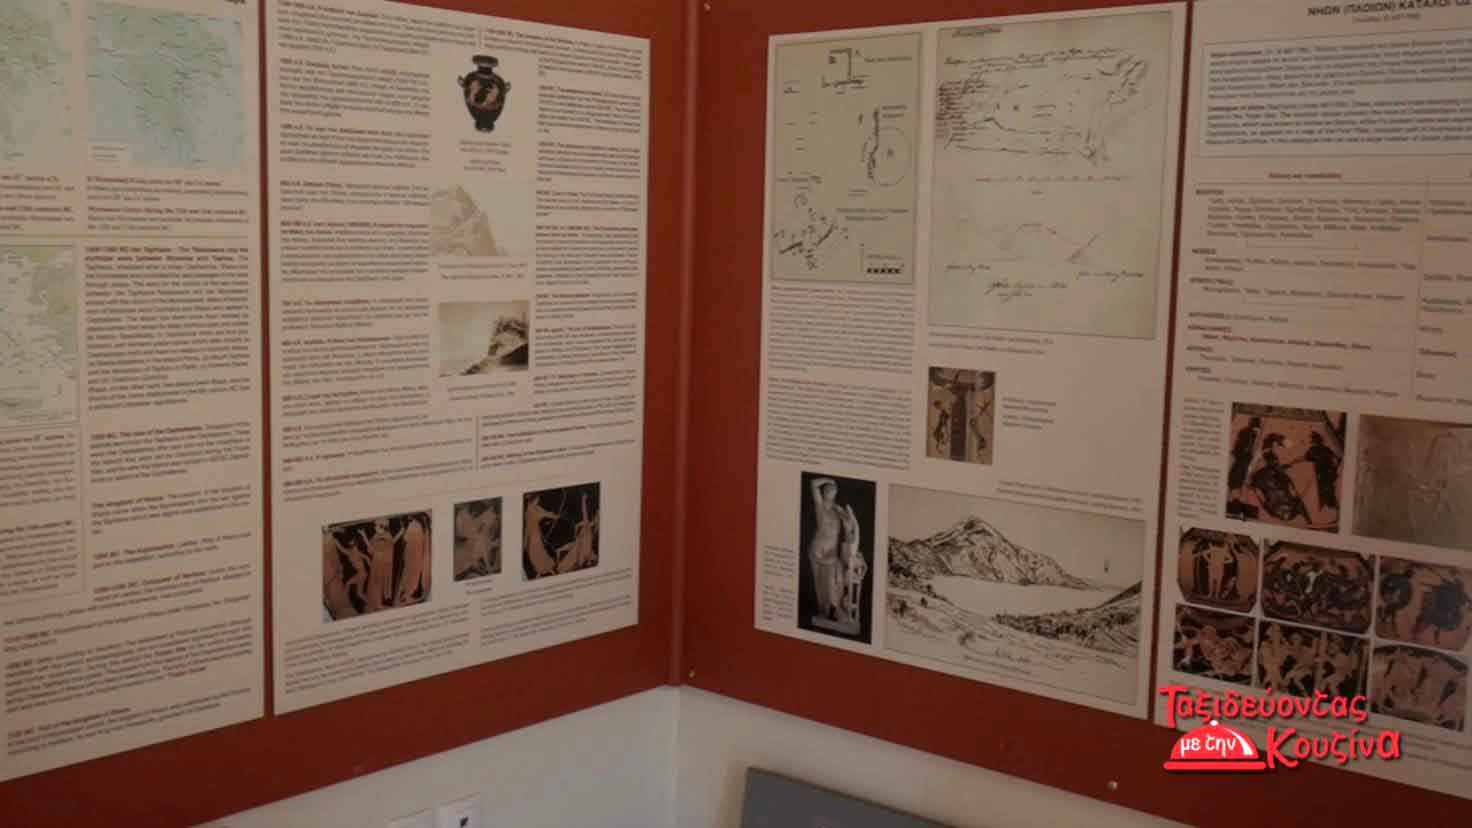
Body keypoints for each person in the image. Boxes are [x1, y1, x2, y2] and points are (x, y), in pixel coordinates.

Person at [806, 478, 844, 619]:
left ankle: (833, 606)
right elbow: (813, 484)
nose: (830, 492)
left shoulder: (837, 510)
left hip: (831, 550)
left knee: (835, 577)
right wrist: (829, 480)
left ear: (836, 493)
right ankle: (823, 609)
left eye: (833, 490)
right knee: (819, 581)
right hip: (818, 548)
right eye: (828, 489)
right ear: (823, 492)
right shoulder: (820, 505)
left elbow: (846, 526)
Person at [359, 518, 405, 611]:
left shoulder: (384, 537)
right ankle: (374, 603)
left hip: (381, 563)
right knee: (375, 582)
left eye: (376, 526)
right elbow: (372, 549)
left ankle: (376, 604)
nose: (375, 527)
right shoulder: (378, 535)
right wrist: (400, 532)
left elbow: (372, 549)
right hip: (377, 562)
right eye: (375, 526)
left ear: (382, 527)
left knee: (377, 582)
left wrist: (364, 536)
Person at [1302, 431, 1340, 512]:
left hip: (1324, 473)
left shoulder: (1314, 450)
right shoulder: (1323, 449)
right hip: (1326, 473)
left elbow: (1305, 458)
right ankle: (1329, 504)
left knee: (1325, 489)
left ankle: (1329, 504)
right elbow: (1336, 458)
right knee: (1327, 488)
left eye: (1315, 441)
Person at [396, 514, 429, 604]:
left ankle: (406, 594)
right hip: (414, 555)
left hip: (412, 555)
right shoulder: (417, 525)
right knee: (411, 575)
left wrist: (403, 531)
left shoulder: (413, 525)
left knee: (410, 575)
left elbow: (406, 539)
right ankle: (406, 594)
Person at [524, 495, 559, 577]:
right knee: (535, 552)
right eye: (537, 500)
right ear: (534, 500)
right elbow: (543, 514)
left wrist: (552, 515)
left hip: (534, 533)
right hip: (533, 534)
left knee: (538, 552)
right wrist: (554, 516)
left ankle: (544, 569)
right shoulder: (531, 509)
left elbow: (544, 513)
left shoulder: (533, 507)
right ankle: (542, 570)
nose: (538, 501)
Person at [1228, 416, 1262, 498]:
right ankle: (1234, 488)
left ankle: (1236, 488)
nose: (1257, 428)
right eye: (1256, 424)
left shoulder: (1252, 433)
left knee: (1241, 472)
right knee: (1238, 472)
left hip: (1245, 456)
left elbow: (1246, 444)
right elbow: (1239, 443)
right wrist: (1240, 451)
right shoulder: (1247, 432)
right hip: (1242, 456)